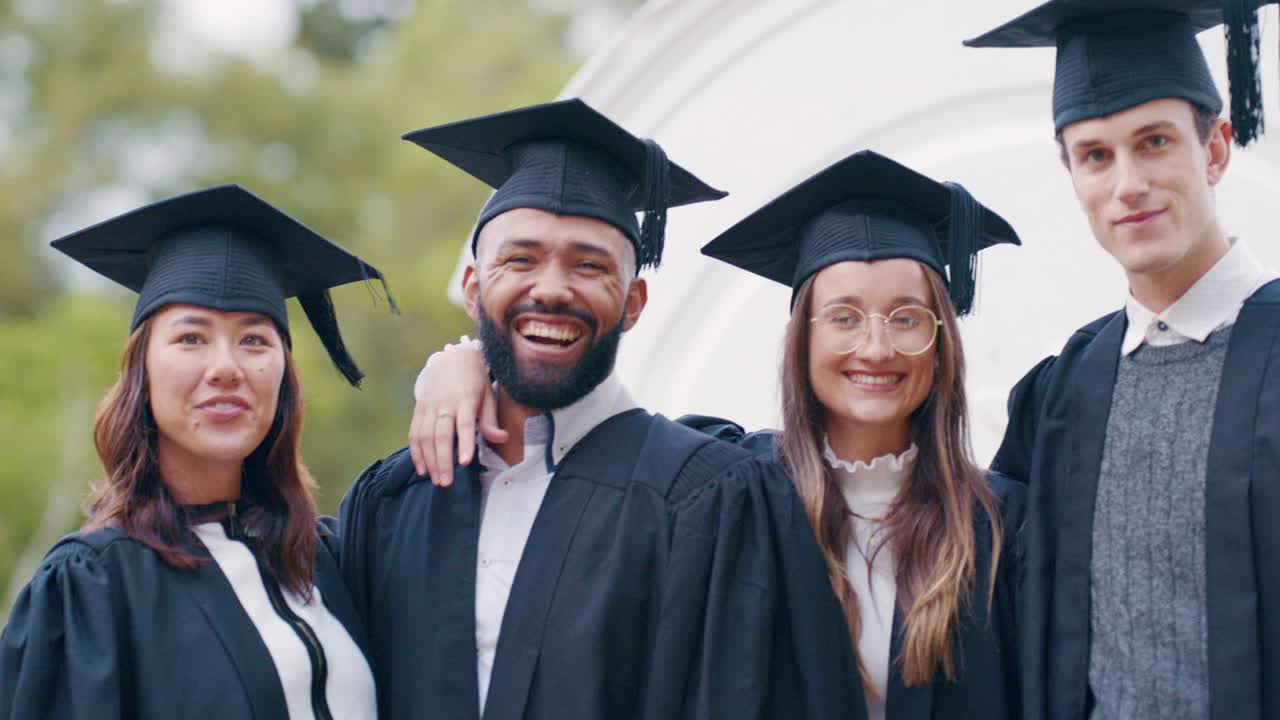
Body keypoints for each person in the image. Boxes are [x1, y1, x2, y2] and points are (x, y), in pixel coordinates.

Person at [415, 150, 1027, 719]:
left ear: (941, 339)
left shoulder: (1003, 525)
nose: (875, 346)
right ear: (802, 339)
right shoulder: (726, 484)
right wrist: (464, 362)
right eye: (842, 317)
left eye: (907, 318)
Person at [336, 98, 754, 720]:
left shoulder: (707, 492)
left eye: (590, 266)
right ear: (476, 290)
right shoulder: (392, 503)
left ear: (634, 302)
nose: (553, 289)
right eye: (520, 260)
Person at [965, 2, 1280, 718]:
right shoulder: (1065, 389)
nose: (1126, 184)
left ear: (1218, 148)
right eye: (1096, 155)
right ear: (1071, 174)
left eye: (1155, 141)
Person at [0, 184, 388, 719]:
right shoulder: (95, 586)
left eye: (254, 340)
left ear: (283, 377)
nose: (226, 367)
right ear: (142, 372)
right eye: (191, 338)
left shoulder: (327, 560)